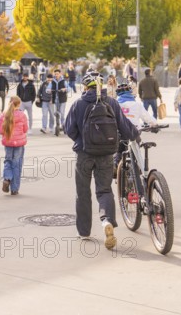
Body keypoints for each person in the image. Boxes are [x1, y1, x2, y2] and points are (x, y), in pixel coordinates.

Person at [64, 72, 139, 250]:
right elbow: (125, 128)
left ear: (85, 86)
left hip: (83, 154)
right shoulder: (111, 102)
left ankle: (84, 231)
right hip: (106, 154)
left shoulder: (78, 104)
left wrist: (81, 140)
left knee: (82, 193)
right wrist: (136, 135)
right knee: (104, 191)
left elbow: (68, 129)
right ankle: (107, 221)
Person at [114, 82, 156, 172]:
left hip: (120, 133)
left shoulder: (115, 104)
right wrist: (154, 124)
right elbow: (147, 118)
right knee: (137, 148)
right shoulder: (137, 105)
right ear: (130, 93)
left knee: (119, 150)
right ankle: (140, 168)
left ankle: (115, 165)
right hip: (134, 131)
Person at [0, 96, 28, 195]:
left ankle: (7, 178)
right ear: (19, 104)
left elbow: (0, 131)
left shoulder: (4, 115)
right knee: (17, 164)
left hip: (8, 142)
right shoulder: (22, 115)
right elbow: (25, 129)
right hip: (19, 143)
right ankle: (14, 189)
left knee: (8, 161)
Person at [53, 69, 68, 135]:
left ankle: (63, 126)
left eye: (57, 74)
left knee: (62, 113)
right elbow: (48, 88)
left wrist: (65, 89)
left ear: (60, 74)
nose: (56, 75)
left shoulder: (64, 81)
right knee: (55, 113)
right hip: (55, 100)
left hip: (62, 99)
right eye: (55, 74)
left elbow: (69, 88)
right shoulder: (53, 81)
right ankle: (58, 125)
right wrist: (48, 90)